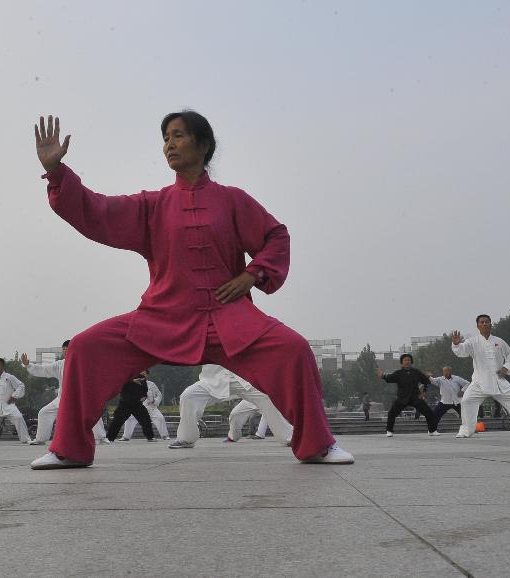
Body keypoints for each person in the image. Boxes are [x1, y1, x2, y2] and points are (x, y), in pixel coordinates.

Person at [29, 112, 351, 469]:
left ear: (204, 145)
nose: (169, 144)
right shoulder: (152, 205)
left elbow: (276, 235)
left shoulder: (233, 200)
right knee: (86, 347)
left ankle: (318, 445)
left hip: (231, 317)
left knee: (295, 350)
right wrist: (58, 172)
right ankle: (69, 449)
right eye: (166, 137)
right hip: (164, 316)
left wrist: (253, 274)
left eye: (178, 135)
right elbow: (97, 210)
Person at [451, 315, 510, 438]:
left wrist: (506, 368)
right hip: (479, 381)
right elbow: (462, 351)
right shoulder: (473, 342)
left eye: (487, 322)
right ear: (478, 326)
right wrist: (456, 345)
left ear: (491, 324)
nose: (485, 324)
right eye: (482, 322)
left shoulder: (499, 341)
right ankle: (466, 430)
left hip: (498, 380)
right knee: (466, 401)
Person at [169, 365, 292, 449]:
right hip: (213, 379)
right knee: (188, 395)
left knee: (266, 397)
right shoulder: (204, 332)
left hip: (242, 377)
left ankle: (289, 437)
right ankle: (186, 438)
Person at [21, 342, 108, 446]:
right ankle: (40, 439)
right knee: (44, 413)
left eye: (68, 349)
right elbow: (43, 370)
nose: (66, 351)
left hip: (81, 398)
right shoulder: (60, 364)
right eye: (64, 349)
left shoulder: (84, 362)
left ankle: (101, 438)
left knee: (92, 413)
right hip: (63, 398)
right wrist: (28, 365)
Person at [376, 354, 438, 437]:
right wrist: (383, 376)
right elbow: (389, 378)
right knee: (391, 413)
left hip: (415, 397)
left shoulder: (416, 372)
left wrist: (424, 391)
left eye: (408, 360)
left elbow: (426, 381)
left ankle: (432, 430)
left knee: (429, 412)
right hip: (402, 398)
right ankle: (389, 431)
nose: (407, 362)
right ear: (402, 362)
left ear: (411, 362)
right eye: (405, 360)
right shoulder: (398, 373)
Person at [105, 371, 155, 443]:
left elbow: (145, 390)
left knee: (146, 419)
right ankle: (109, 438)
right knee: (117, 421)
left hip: (137, 404)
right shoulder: (125, 375)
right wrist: (132, 381)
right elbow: (120, 383)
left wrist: (144, 396)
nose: (144, 373)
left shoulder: (142, 378)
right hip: (125, 404)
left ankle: (150, 437)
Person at [120, 371, 170, 440]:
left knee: (160, 418)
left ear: (147, 375)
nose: (142, 376)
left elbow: (159, 395)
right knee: (129, 418)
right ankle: (126, 436)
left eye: (144, 374)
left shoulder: (151, 384)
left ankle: (164, 435)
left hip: (150, 407)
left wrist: (154, 401)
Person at [226, 399, 293, 444]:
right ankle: (233, 436)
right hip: (250, 396)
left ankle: (290, 438)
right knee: (235, 413)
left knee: (275, 416)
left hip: (265, 397)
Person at [428, 366, 469, 433]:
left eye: (447, 371)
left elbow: (467, 383)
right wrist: (428, 376)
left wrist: (462, 391)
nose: (445, 373)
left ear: (450, 371)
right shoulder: (440, 379)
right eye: (444, 371)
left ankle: (470, 428)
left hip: (456, 401)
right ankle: (432, 430)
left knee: (465, 415)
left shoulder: (457, 378)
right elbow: (432, 380)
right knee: (435, 415)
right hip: (444, 402)